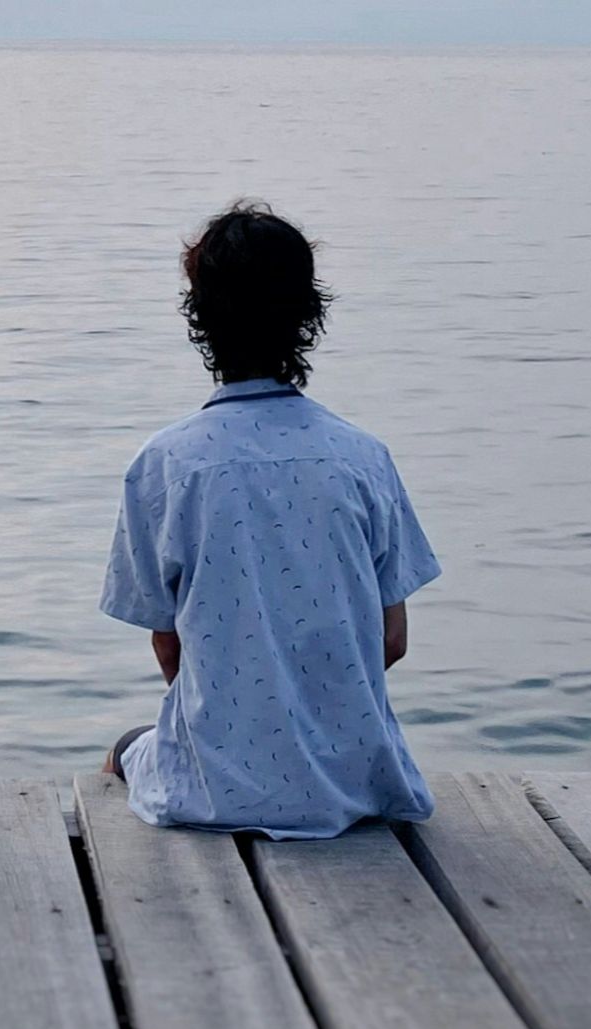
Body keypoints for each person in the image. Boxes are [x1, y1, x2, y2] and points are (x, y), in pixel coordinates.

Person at [99, 202, 442, 839]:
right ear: (307, 314)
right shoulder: (363, 457)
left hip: (215, 787)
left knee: (126, 747)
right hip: (356, 782)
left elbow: (170, 648)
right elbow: (390, 643)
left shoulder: (164, 464)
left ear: (200, 319)